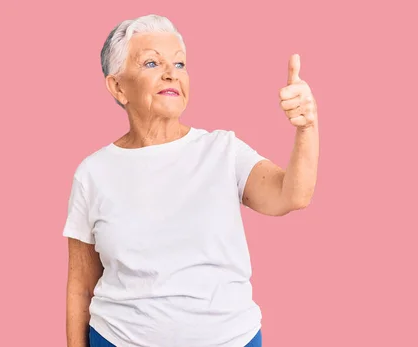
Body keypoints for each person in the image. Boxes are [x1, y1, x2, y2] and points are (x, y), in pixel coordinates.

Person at [62, 14, 319, 347]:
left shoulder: (223, 150)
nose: (171, 73)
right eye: (152, 62)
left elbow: (291, 195)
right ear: (118, 86)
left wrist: (307, 128)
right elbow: (80, 287)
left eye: (180, 64)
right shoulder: (92, 173)